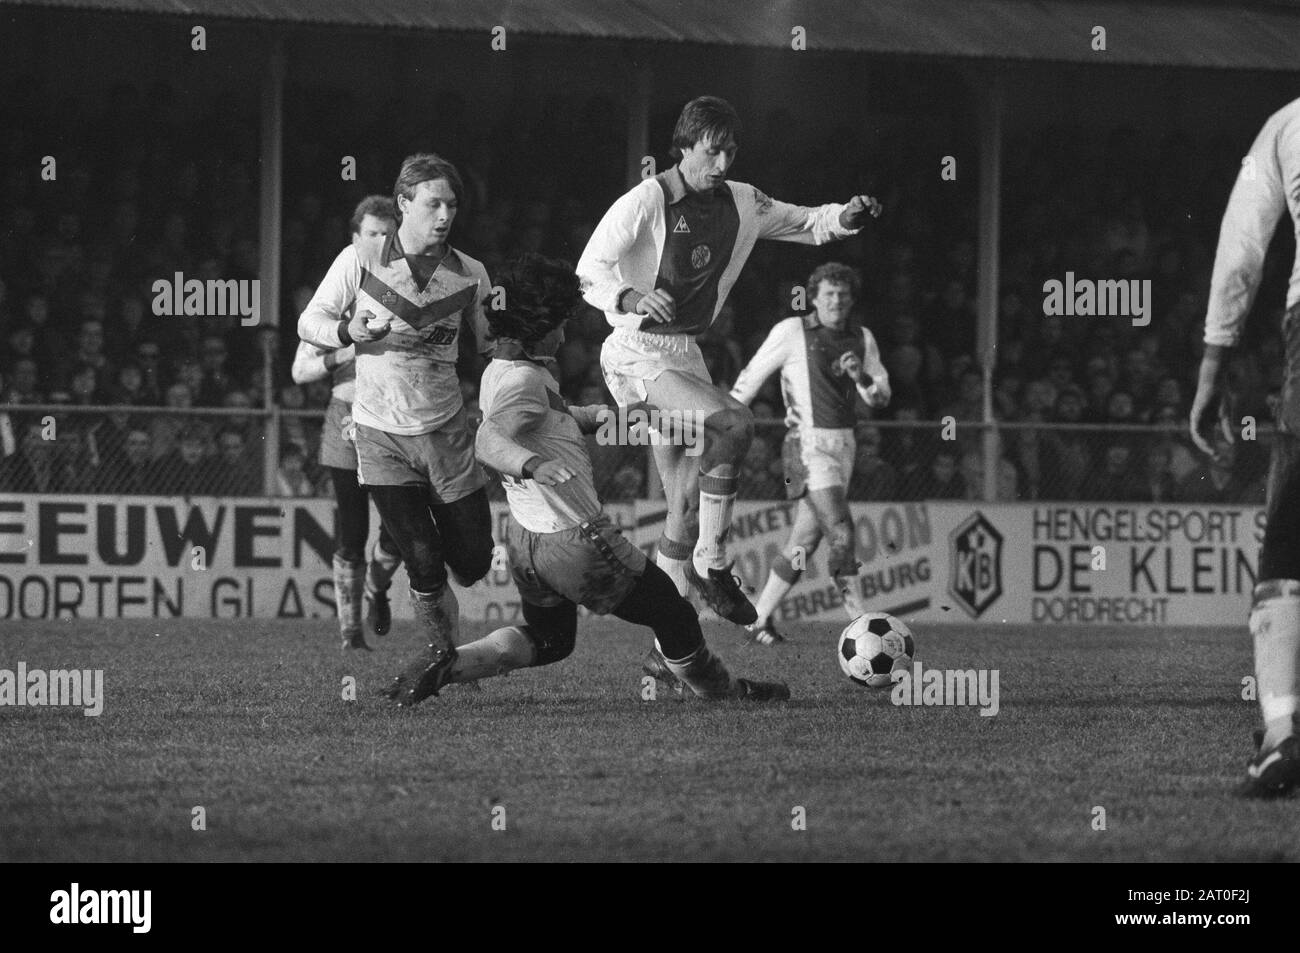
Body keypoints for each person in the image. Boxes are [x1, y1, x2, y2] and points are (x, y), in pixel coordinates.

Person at [381, 253, 788, 705]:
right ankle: (725, 691)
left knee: (553, 641)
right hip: (578, 542)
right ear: (540, 326)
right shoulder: (523, 381)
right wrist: (533, 465)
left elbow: (538, 419)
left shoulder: (503, 370)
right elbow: (489, 440)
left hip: (526, 542)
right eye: (559, 321)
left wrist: (595, 418)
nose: (565, 331)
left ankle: (448, 665)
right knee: (674, 612)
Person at [576, 95, 881, 626]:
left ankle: (670, 653)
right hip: (634, 352)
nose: (723, 164)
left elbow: (807, 222)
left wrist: (845, 217)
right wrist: (628, 298)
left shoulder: (743, 202)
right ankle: (714, 564)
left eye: (731, 152)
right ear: (685, 146)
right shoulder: (646, 200)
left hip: (684, 354)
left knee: (683, 512)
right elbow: (587, 271)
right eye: (713, 152)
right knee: (735, 424)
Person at [299, 154, 494, 681]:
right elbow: (309, 320)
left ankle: (412, 569)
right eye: (433, 203)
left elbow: (493, 343)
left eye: (452, 204)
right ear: (403, 203)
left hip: (446, 432)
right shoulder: (360, 260)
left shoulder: (471, 273)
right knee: (425, 561)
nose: (445, 214)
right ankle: (444, 661)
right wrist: (347, 333)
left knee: (474, 564)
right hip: (380, 434)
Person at [1192, 96, 1300, 796]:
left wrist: (1212, 366)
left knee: (1289, 539)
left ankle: (1284, 734)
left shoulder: (1288, 123)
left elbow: (1241, 248)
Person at [729, 262, 890, 643]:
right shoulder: (791, 331)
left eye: (843, 295)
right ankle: (862, 627)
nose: (836, 301)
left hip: (844, 445)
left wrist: (861, 377)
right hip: (806, 445)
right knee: (841, 529)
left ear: (851, 300)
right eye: (829, 294)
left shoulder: (862, 337)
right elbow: (752, 376)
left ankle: (758, 619)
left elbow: (880, 396)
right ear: (813, 297)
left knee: (804, 542)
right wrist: (729, 416)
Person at [291, 195, 406, 650]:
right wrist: (349, 346)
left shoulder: (407, 289)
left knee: (399, 526)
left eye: (388, 233)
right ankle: (349, 633)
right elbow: (300, 371)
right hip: (347, 418)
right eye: (372, 234)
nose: (381, 242)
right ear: (355, 240)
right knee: (352, 528)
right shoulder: (338, 305)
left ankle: (378, 586)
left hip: (395, 416)